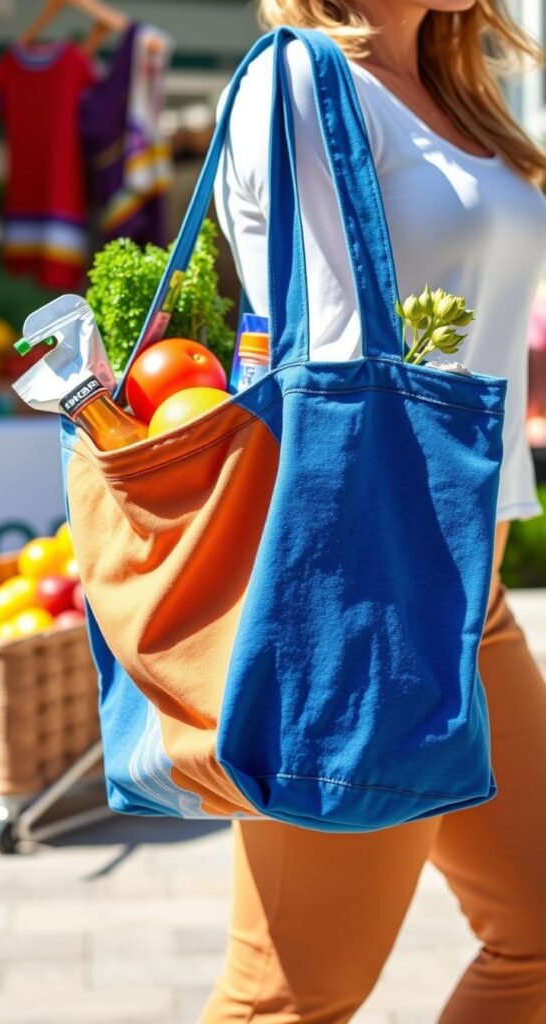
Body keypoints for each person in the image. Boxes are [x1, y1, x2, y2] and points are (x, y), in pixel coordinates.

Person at [204, 1, 546, 1021]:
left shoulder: (453, 94)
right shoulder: (301, 83)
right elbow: (324, 363)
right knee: (288, 1000)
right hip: (367, 610)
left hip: (465, 606)